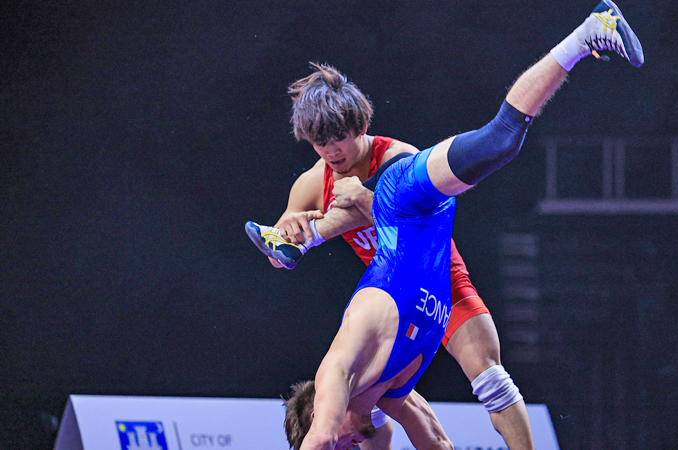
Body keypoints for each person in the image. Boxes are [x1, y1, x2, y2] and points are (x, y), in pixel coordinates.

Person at [249, 2, 643, 449]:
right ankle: (316, 236)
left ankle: (588, 33)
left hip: (439, 272)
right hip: (409, 297)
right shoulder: (310, 183)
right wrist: (291, 228)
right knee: (440, 393)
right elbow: (277, 253)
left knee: (497, 143)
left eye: (339, 139)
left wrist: (353, 205)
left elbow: (408, 210)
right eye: (320, 144)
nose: (331, 152)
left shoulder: (396, 157)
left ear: (361, 126)